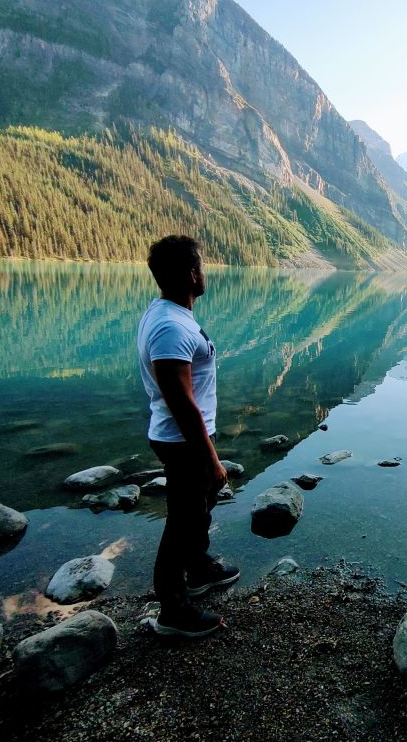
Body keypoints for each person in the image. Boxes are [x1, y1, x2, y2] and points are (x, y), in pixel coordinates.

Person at [137, 234, 239, 637]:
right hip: (181, 440)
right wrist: (210, 459)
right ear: (192, 272)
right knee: (182, 521)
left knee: (197, 507)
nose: (204, 271)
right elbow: (181, 402)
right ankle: (173, 610)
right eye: (201, 264)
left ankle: (198, 569)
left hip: (184, 437)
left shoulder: (168, 313)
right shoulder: (168, 327)